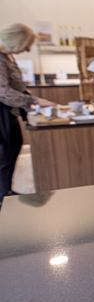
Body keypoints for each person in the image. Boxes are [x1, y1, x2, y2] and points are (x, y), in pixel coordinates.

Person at [0, 23, 55, 205]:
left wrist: (27, 95)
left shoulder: (7, 57)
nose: (27, 50)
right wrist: (34, 100)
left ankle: (6, 190)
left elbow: (14, 86)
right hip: (2, 116)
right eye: (26, 46)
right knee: (5, 156)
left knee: (12, 151)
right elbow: (4, 93)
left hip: (10, 113)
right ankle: (3, 196)